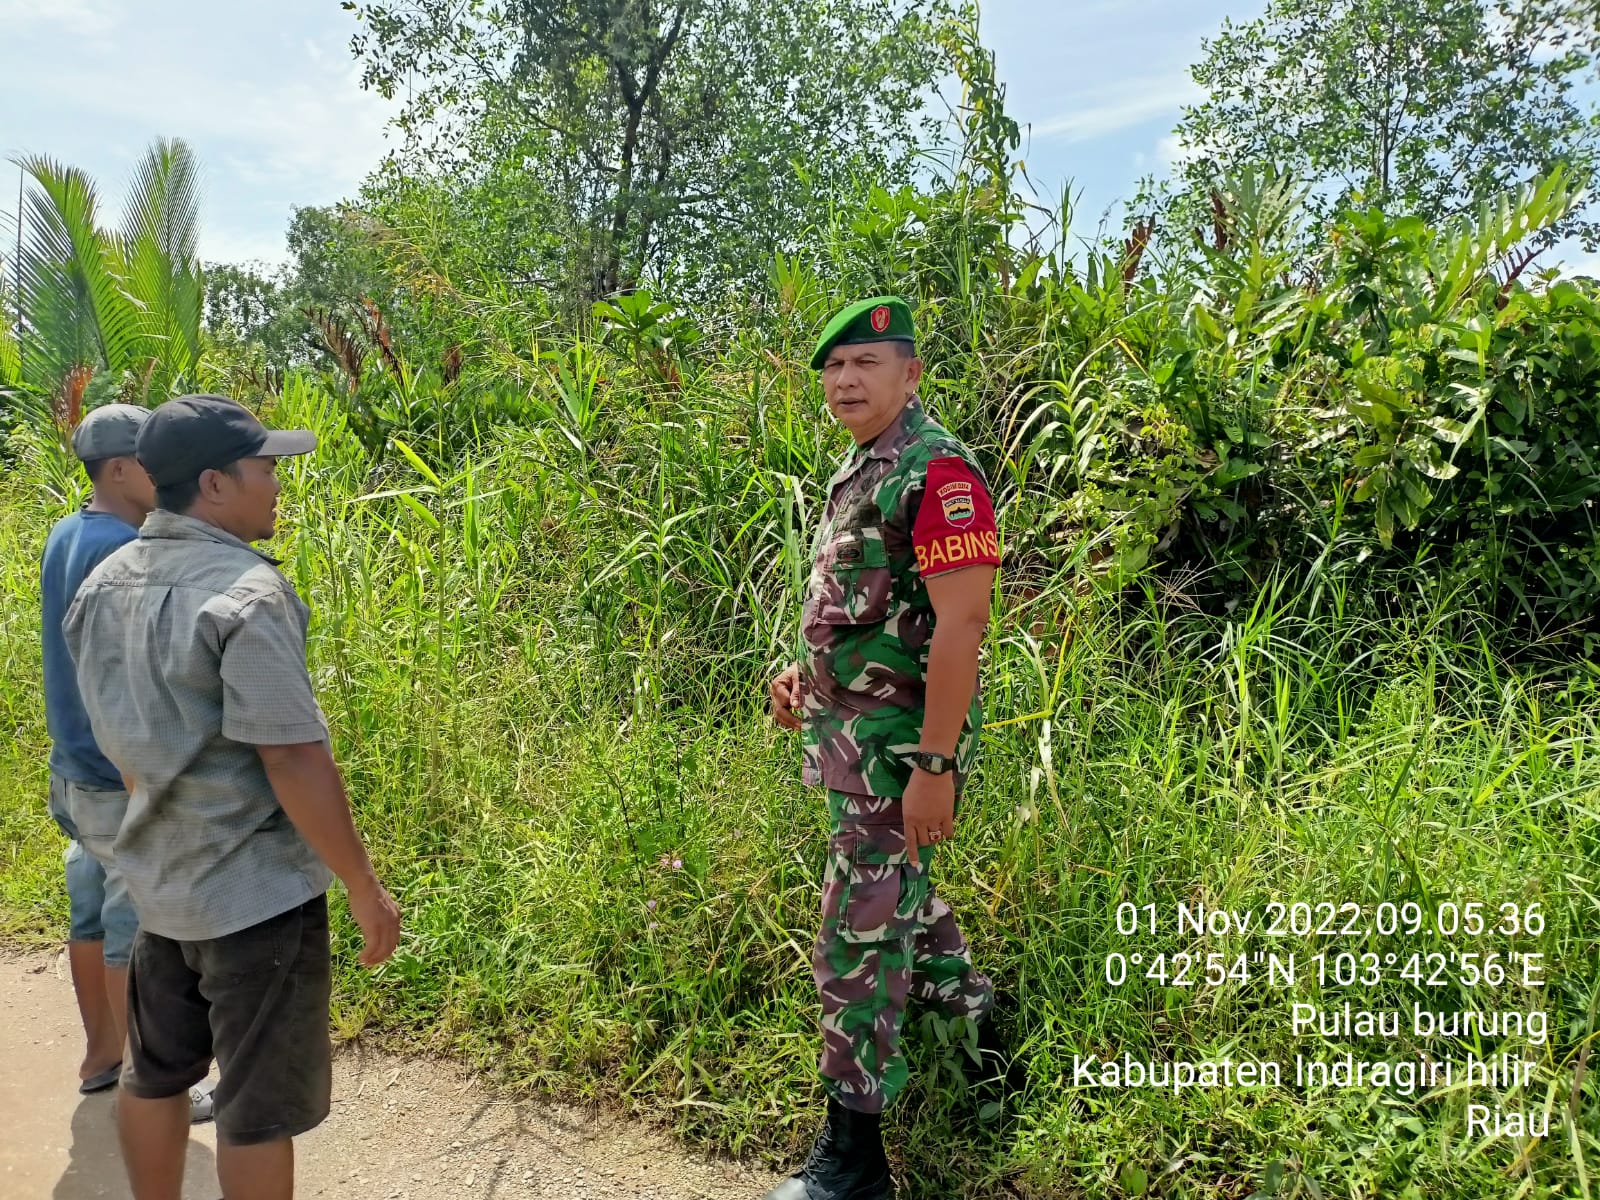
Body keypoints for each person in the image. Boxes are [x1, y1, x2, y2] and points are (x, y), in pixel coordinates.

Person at [63, 394, 402, 1200]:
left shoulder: (101, 586)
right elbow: (291, 756)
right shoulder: (248, 595)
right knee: (256, 1110)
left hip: (157, 888)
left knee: (155, 1075)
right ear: (215, 484)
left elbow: (120, 744)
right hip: (254, 901)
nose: (278, 482)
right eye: (265, 467)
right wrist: (362, 883)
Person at [763, 298, 1013, 1200]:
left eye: (866, 363)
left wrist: (935, 766)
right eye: (833, 368)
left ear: (910, 374)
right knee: (899, 900)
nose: (845, 382)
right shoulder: (860, 468)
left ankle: (853, 1159)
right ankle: (982, 1041)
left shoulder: (937, 471)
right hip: (851, 748)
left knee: (853, 935)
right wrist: (800, 681)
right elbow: (857, 611)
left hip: (901, 757)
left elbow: (963, 624)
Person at [41, 403, 216, 1120]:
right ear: (119, 470)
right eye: (150, 461)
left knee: (89, 909)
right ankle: (151, 1078)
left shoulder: (67, 533)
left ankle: (102, 1056)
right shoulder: (121, 549)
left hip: (72, 766)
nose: (162, 473)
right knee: (132, 922)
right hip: (115, 772)